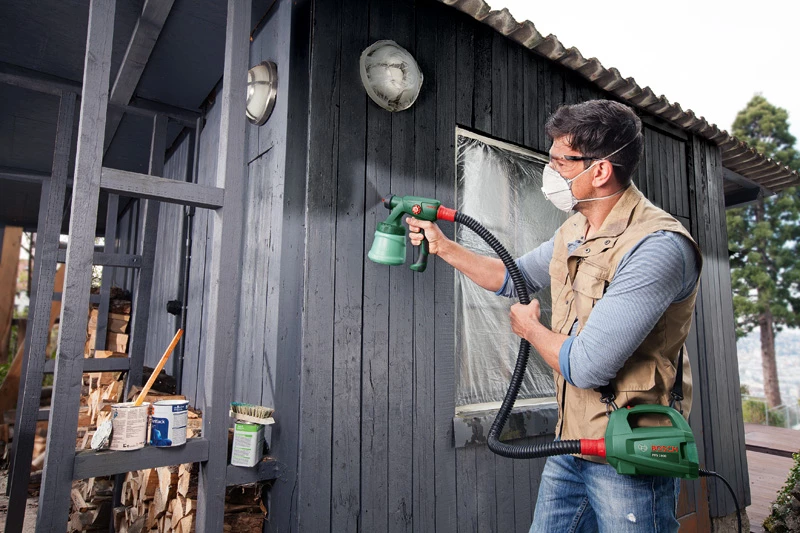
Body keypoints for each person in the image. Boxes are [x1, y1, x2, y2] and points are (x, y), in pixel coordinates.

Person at [407, 99, 702, 532]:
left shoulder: (656, 247)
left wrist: (529, 328)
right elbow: (513, 277)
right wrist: (444, 246)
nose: (551, 172)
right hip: (572, 442)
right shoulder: (575, 230)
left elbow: (587, 366)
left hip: (629, 451)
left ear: (599, 171)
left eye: (561, 161)